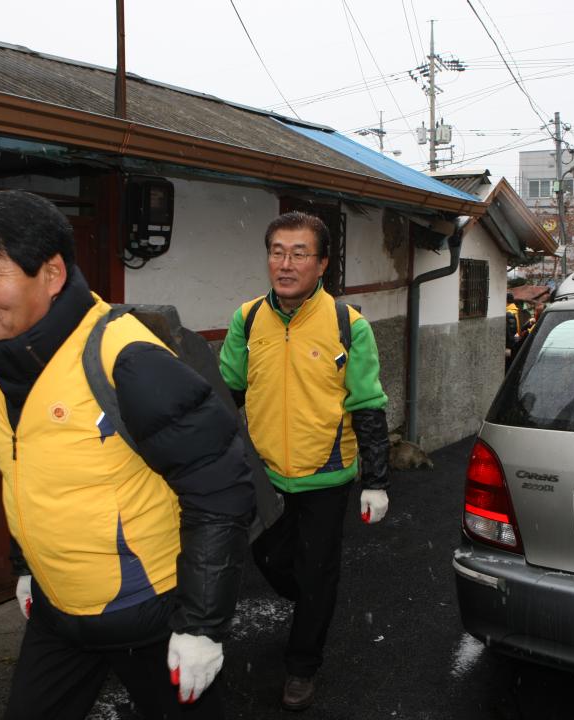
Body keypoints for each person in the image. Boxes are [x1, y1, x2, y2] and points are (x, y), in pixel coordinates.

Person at [0, 190, 254, 720]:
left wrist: (202, 626)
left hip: (148, 614)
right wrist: (28, 566)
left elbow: (220, 484)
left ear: (52, 274)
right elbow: (31, 478)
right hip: (57, 613)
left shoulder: (124, 356)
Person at [218, 211, 391, 711]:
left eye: (299, 254)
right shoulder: (247, 319)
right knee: (269, 559)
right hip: (266, 474)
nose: (286, 263)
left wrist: (376, 480)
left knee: (318, 573)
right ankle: (314, 603)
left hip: (326, 474)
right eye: (277, 252)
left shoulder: (346, 324)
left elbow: (367, 404)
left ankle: (301, 666)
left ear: (322, 265)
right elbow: (226, 390)